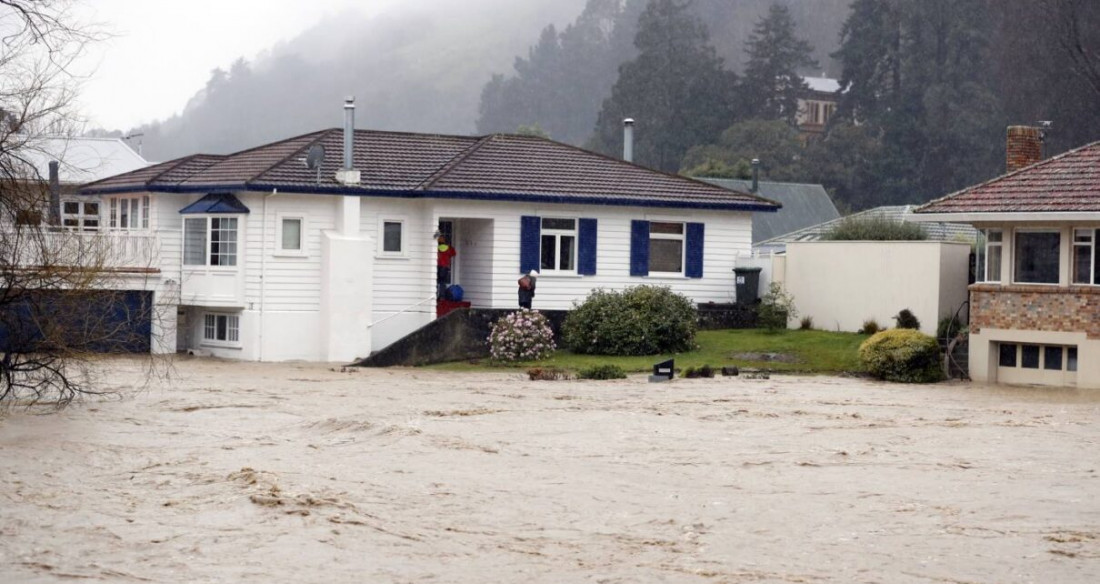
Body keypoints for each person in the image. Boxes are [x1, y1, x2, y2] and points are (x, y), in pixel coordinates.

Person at [436, 233, 456, 299]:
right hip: (445, 267)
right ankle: (442, 296)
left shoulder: (436, 248)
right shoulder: (449, 248)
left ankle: (436, 295)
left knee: (436, 281)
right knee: (443, 282)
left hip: (437, 266)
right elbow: (453, 254)